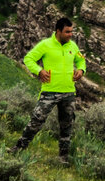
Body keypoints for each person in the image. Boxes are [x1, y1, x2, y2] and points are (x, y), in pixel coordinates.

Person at [9, 17, 86, 162]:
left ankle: (63, 157)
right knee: (36, 121)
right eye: (67, 32)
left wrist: (81, 70)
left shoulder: (73, 46)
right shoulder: (45, 45)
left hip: (69, 92)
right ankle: (19, 148)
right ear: (58, 31)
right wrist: (39, 71)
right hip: (49, 92)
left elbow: (81, 60)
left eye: (71, 31)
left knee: (67, 126)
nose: (70, 35)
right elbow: (29, 58)